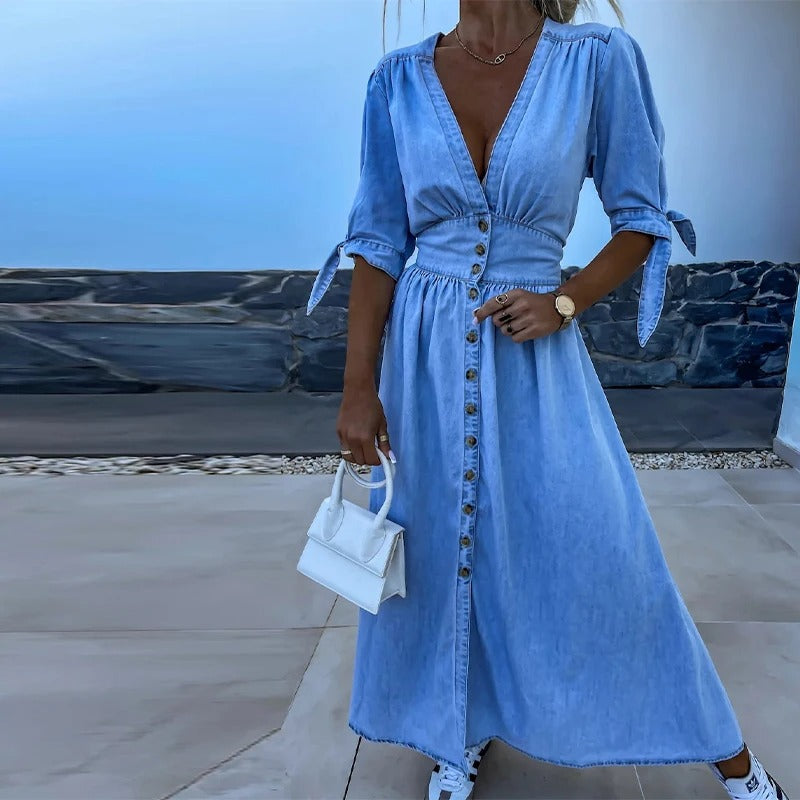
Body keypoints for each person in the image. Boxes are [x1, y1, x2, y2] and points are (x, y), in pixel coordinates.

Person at [305, 2, 791, 799]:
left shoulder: (595, 59)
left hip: (533, 353)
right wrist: (359, 389)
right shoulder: (397, 79)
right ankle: (454, 731)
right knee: (437, 553)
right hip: (423, 360)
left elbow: (640, 217)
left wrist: (563, 301)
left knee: (603, 552)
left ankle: (727, 754)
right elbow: (378, 243)